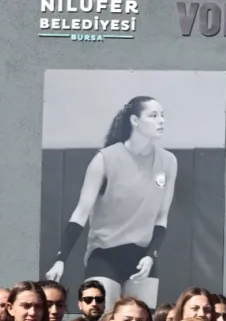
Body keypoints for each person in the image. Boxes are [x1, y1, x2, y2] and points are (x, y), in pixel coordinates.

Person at [47, 96, 175, 307]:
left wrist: (151, 255)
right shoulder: (104, 159)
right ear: (135, 121)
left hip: (143, 257)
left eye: (162, 115)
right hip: (105, 255)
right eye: (153, 115)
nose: (161, 120)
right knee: (102, 318)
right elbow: (80, 213)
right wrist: (61, 259)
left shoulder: (168, 161)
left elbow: (161, 218)